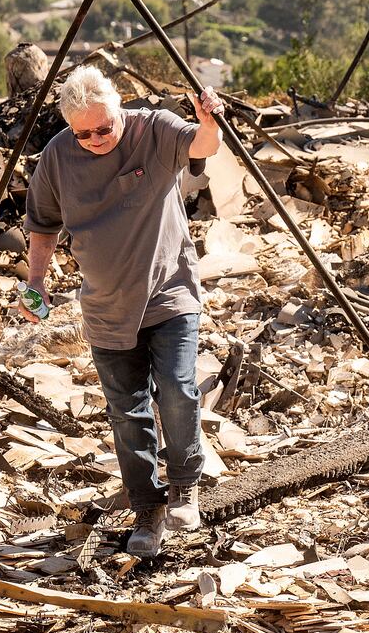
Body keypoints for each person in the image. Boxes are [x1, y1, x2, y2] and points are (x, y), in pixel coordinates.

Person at [20, 67, 225, 556]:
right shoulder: (58, 156)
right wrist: (36, 280)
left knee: (176, 388)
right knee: (127, 412)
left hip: (168, 291)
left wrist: (209, 119)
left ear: (119, 110)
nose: (94, 139)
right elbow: (43, 224)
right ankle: (146, 506)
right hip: (107, 306)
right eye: (82, 132)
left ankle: (184, 483)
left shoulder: (153, 129)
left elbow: (203, 146)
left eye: (104, 128)